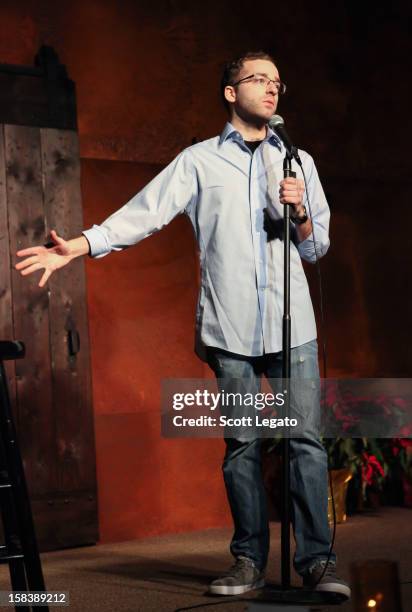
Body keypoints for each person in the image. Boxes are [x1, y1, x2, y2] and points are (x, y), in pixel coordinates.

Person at [16, 51, 350, 601]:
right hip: (232, 331)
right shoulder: (198, 162)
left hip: (294, 332)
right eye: (258, 79)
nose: (271, 89)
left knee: (304, 444)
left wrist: (303, 214)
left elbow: (316, 248)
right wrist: (77, 246)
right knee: (243, 445)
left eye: (276, 82)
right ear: (229, 91)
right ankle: (247, 561)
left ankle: (317, 560)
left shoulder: (298, 162)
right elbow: (142, 214)